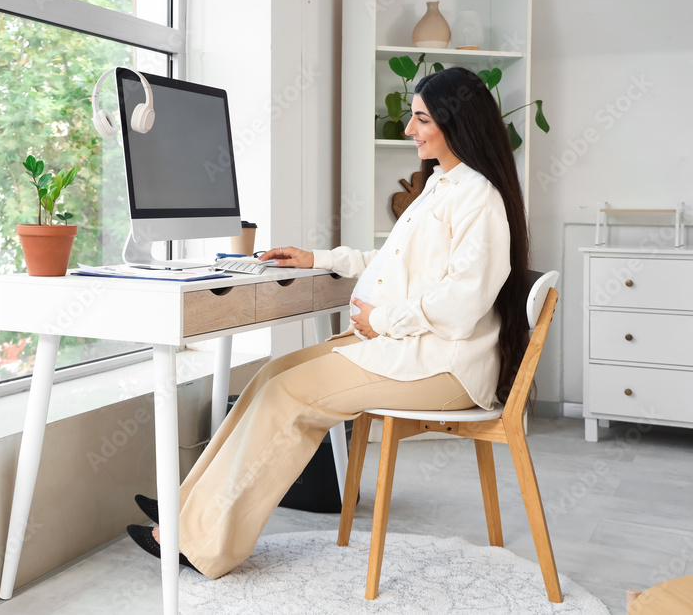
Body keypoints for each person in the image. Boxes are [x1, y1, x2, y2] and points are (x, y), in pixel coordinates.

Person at [126, 66, 531, 579]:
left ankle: (201, 544)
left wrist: (384, 320)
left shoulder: (479, 196)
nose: (409, 129)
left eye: (421, 118)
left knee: (289, 396)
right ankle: (185, 510)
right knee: (269, 378)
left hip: (442, 365)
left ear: (458, 122)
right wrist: (315, 258)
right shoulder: (442, 185)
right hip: (406, 348)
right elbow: (396, 262)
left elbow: (464, 301)